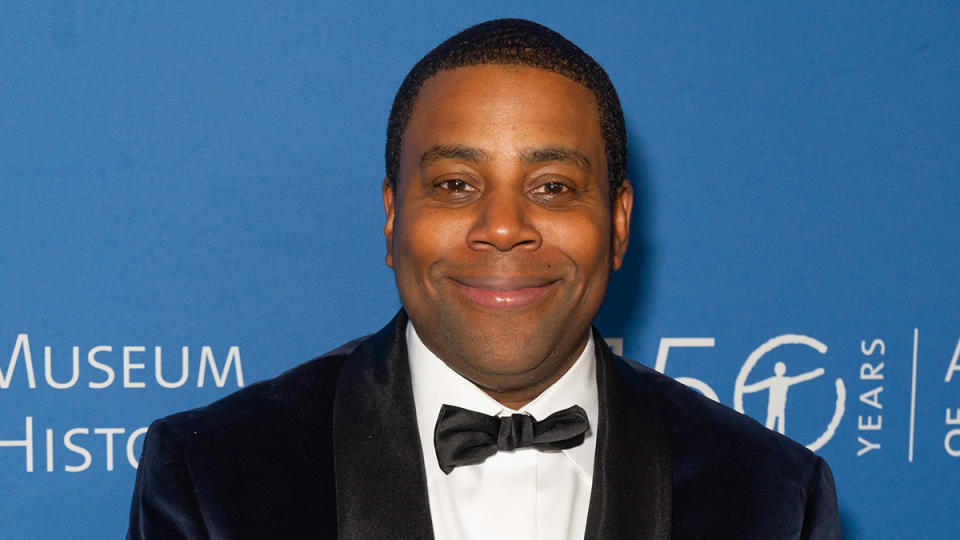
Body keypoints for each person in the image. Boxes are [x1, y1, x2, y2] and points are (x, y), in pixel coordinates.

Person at [127, 18, 841, 539]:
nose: (503, 226)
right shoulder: (213, 479)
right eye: (457, 183)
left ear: (619, 224)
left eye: (555, 187)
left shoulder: (772, 499)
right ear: (391, 216)